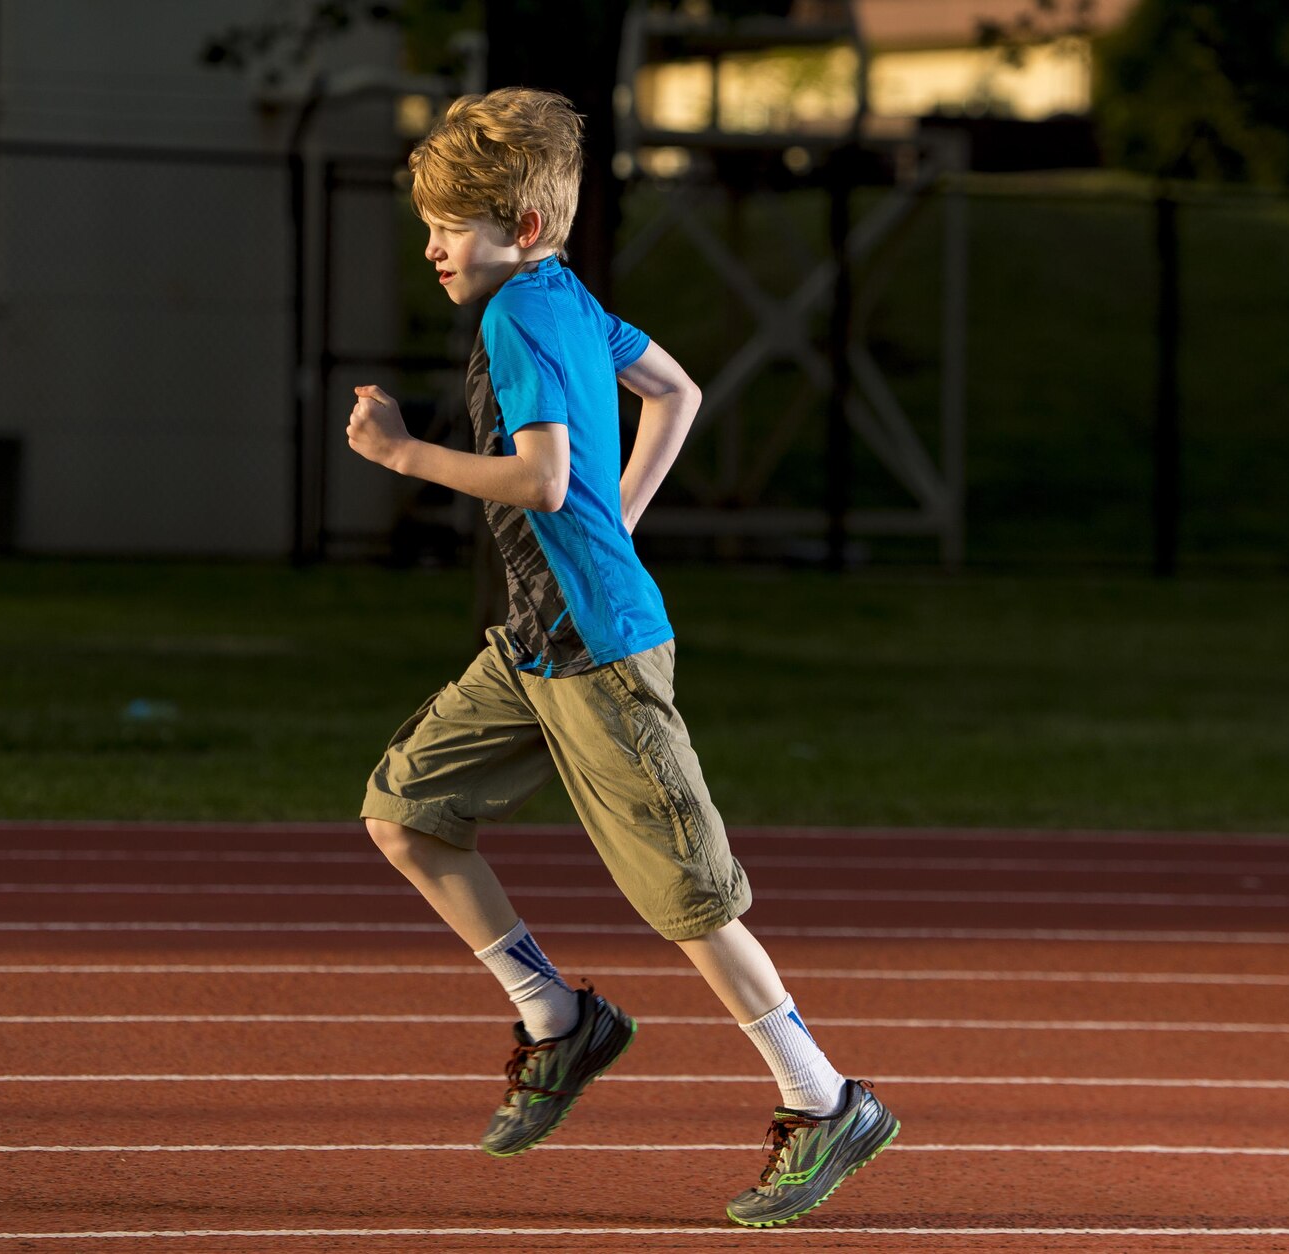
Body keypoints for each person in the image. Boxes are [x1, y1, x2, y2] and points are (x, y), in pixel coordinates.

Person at [345, 88, 897, 1229]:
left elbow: (543, 481)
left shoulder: (518, 318)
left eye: (452, 224)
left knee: (688, 898)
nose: (433, 244)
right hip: (535, 646)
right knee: (405, 812)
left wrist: (405, 456)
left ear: (525, 231)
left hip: (599, 653)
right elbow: (675, 391)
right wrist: (619, 520)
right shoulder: (563, 296)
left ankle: (825, 1097)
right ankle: (558, 1017)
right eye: (430, 222)